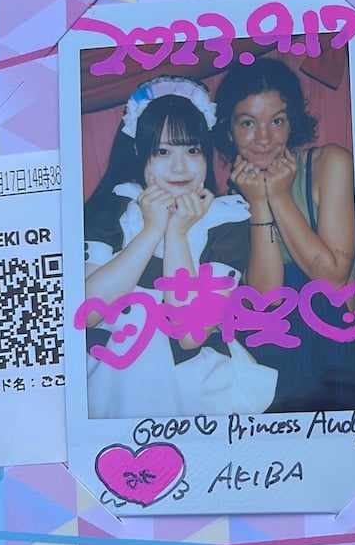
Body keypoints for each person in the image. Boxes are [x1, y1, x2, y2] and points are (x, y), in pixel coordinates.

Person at [81, 76, 277, 419]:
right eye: (162, 151)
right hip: (109, 382)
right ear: (140, 152)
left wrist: (176, 234)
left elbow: (189, 333)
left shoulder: (225, 221)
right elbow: (88, 313)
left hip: (194, 387)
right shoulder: (112, 207)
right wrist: (151, 230)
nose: (179, 166)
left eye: (192, 150)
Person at [214, 57, 355, 413]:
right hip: (274, 368)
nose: (264, 138)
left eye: (277, 121)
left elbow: (332, 278)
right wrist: (259, 203)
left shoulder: (330, 164)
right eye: (248, 122)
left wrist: (279, 196)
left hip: (334, 363)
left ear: (292, 121)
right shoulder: (228, 202)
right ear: (229, 129)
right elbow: (266, 299)